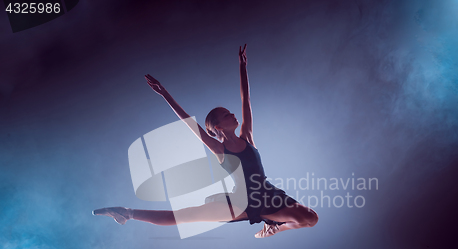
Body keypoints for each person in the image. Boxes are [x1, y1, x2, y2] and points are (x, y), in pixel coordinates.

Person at [93, 44, 318, 238]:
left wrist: (243, 67)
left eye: (231, 112)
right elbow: (188, 123)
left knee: (311, 218)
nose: (233, 114)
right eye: (226, 114)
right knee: (186, 215)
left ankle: (274, 229)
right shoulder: (219, 148)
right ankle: (127, 213)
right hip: (240, 201)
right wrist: (165, 94)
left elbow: (245, 100)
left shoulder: (247, 136)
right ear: (218, 127)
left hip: (267, 193)